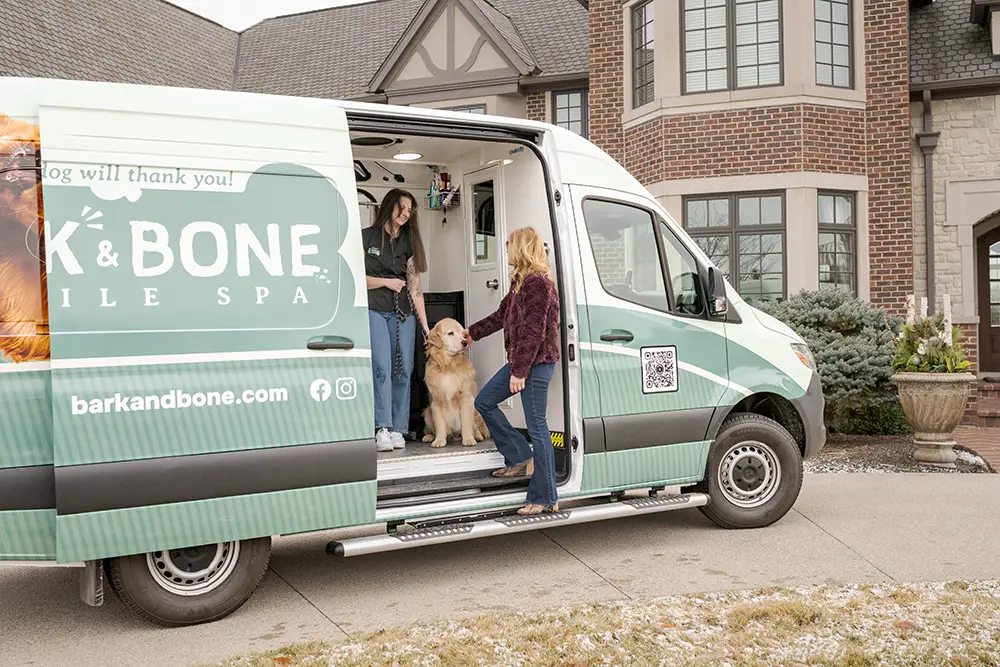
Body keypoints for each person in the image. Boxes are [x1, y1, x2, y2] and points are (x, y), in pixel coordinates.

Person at [465, 227, 561, 515]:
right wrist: (471, 333)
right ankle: (520, 456)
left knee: (538, 428)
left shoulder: (538, 284)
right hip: (522, 362)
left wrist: (519, 372)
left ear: (520, 248)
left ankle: (545, 497)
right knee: (484, 401)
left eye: (508, 245)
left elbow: (534, 332)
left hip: (536, 363)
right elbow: (499, 317)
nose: (505, 249)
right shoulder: (520, 283)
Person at [363, 188, 430, 452]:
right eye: (400, 208)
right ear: (389, 206)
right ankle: (382, 427)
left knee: (403, 369)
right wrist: (386, 282)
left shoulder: (409, 243)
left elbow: (415, 288)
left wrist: (426, 327)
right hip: (374, 309)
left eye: (409, 210)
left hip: (403, 313)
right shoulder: (366, 237)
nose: (404, 214)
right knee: (381, 367)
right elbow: (356, 278)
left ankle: (399, 428)